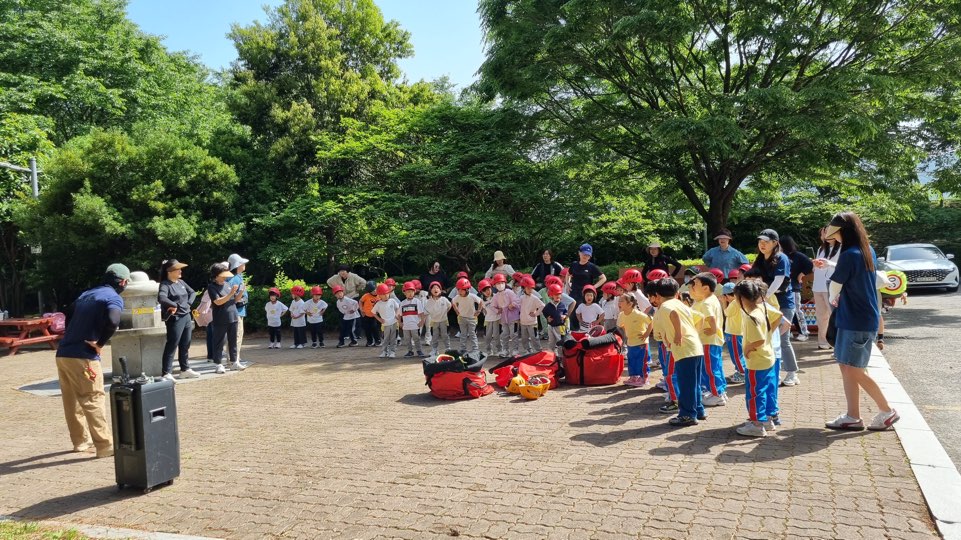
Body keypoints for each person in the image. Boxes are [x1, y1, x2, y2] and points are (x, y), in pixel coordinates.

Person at [818, 211, 900, 431]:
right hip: (857, 317)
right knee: (847, 367)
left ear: (842, 232)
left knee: (853, 369)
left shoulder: (849, 253)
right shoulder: (866, 250)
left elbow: (836, 285)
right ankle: (853, 416)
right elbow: (852, 273)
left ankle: (887, 411)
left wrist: (833, 300)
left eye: (835, 232)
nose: (833, 236)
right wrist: (831, 265)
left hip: (856, 319)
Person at [56, 263, 130, 458]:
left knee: (72, 401)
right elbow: (113, 321)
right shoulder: (113, 297)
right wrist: (100, 343)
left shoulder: (86, 294)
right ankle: (105, 446)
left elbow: (68, 316)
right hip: (84, 356)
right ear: (122, 282)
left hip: (63, 353)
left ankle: (80, 442)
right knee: (93, 398)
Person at [650, 278, 705, 426]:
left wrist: (678, 334)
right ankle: (698, 410)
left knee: (686, 384)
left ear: (657, 294)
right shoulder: (681, 304)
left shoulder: (665, 307)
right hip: (696, 347)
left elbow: (673, 315)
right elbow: (700, 318)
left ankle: (687, 415)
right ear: (677, 293)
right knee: (695, 383)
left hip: (683, 350)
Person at [732, 280, 782, 437]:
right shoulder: (763, 308)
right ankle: (767, 420)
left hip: (756, 360)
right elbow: (779, 316)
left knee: (755, 393)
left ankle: (756, 424)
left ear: (742, 298)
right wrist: (769, 333)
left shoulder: (751, 316)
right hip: (767, 357)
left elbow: (758, 340)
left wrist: (747, 347)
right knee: (766, 389)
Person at [751, 229, 800, 386]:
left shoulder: (781, 258)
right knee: (770, 339)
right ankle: (774, 372)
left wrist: (763, 296)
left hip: (783, 304)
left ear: (775, 243)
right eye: (760, 241)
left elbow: (779, 280)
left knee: (783, 340)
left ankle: (792, 373)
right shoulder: (760, 259)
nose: (762, 244)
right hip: (767, 304)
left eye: (766, 241)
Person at [689, 272, 727, 407]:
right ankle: (719, 391)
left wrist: (712, 328)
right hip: (712, 340)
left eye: (696, 284)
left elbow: (710, 317)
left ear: (705, 288)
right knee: (716, 367)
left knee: (710, 369)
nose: (693, 287)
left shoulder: (706, 303)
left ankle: (717, 395)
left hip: (708, 340)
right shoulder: (711, 300)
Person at [157, 259, 198, 381]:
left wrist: (188, 304)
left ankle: (185, 369)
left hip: (186, 316)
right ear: (170, 271)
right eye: (178, 269)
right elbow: (161, 297)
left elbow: (192, 292)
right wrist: (174, 305)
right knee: (172, 343)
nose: (180, 271)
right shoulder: (165, 284)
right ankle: (166, 373)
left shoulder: (181, 282)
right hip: (175, 318)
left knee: (186, 343)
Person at [208, 263, 246, 373]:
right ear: (217, 274)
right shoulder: (212, 287)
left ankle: (234, 362)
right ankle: (218, 364)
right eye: (223, 274)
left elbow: (234, 300)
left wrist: (240, 292)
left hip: (233, 316)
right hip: (220, 318)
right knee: (219, 341)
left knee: (233, 340)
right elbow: (218, 302)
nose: (225, 277)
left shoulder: (227, 284)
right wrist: (230, 293)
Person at [780, 235, 814, 342]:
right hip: (782, 289)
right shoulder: (779, 256)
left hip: (794, 287)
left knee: (796, 310)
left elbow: (810, 265)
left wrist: (802, 274)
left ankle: (803, 332)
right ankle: (787, 331)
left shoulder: (798, 256)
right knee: (783, 311)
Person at [812, 227, 841, 349]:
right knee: (821, 316)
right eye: (823, 233)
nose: (825, 235)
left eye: (827, 232)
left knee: (833, 315)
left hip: (831, 286)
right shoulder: (821, 248)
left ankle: (836, 343)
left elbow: (841, 267)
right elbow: (817, 268)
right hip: (817, 286)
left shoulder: (841, 248)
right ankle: (823, 342)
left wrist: (828, 264)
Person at [617, 293, 653, 387]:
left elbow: (651, 322)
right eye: (619, 300)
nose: (619, 302)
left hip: (641, 342)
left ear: (630, 304)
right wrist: (628, 334)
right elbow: (622, 325)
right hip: (630, 342)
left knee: (641, 361)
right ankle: (633, 377)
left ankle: (644, 378)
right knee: (632, 361)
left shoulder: (638, 314)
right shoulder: (621, 315)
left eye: (621, 301)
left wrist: (646, 334)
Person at [569, 244, 607, 328]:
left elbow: (603, 278)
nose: (585, 256)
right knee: (573, 314)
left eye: (587, 255)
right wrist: (568, 285)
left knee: (586, 314)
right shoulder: (574, 264)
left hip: (585, 295)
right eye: (583, 254)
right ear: (579, 253)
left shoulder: (591, 266)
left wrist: (593, 287)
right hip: (573, 293)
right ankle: (574, 332)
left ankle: (588, 333)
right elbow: (568, 274)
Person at [226, 254, 249, 362]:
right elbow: (232, 296)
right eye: (242, 263)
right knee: (236, 337)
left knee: (235, 337)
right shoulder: (234, 278)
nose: (244, 264)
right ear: (238, 265)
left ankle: (233, 359)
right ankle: (234, 360)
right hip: (236, 311)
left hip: (237, 311)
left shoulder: (236, 277)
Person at [452, 277, 483, 356]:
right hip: (462, 318)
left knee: (472, 334)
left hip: (472, 318)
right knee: (463, 334)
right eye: (458, 289)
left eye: (461, 289)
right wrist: (456, 309)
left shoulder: (472, 296)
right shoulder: (457, 297)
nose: (459, 291)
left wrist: (479, 310)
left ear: (467, 289)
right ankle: (463, 349)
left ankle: (475, 349)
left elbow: (480, 301)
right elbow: (453, 301)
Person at [491, 273, 520, 356]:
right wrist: (498, 310)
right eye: (498, 283)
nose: (500, 285)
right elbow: (492, 306)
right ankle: (505, 350)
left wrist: (512, 305)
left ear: (505, 283)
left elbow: (517, 301)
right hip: (503, 318)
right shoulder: (496, 296)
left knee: (514, 334)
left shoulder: (509, 292)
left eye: (502, 283)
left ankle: (515, 350)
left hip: (513, 317)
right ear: (495, 285)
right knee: (504, 334)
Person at [518, 276, 545, 354]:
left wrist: (536, 314)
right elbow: (517, 305)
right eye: (528, 288)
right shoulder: (521, 298)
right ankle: (527, 350)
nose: (530, 290)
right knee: (524, 338)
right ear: (524, 288)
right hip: (523, 322)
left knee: (534, 337)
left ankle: (538, 350)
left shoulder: (534, 298)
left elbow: (542, 305)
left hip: (532, 322)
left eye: (531, 288)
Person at [399, 281, 427, 358]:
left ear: (414, 292)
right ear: (404, 292)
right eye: (408, 292)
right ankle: (410, 351)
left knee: (416, 338)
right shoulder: (402, 303)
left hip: (415, 325)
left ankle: (419, 350)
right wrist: (400, 322)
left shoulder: (417, 301)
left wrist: (422, 321)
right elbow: (399, 314)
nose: (410, 293)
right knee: (407, 339)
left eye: (412, 291)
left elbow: (421, 313)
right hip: (406, 326)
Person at [373, 283, 401, 359]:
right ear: (379, 295)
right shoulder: (378, 304)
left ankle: (392, 352)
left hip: (394, 323)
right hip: (385, 324)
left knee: (393, 338)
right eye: (383, 294)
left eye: (387, 293)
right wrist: (379, 319)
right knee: (385, 339)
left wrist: (397, 314)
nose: (385, 295)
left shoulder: (392, 301)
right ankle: (384, 351)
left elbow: (398, 308)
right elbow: (373, 312)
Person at [542, 283, 570, 354]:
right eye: (555, 294)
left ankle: (561, 357)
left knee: (560, 342)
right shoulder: (548, 306)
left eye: (559, 294)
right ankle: (551, 356)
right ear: (551, 295)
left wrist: (564, 316)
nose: (558, 296)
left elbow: (566, 312)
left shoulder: (562, 305)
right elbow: (544, 311)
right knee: (551, 342)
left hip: (560, 327)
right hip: (551, 327)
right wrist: (547, 318)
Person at [427, 281, 453, 356]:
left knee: (445, 335)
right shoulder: (429, 301)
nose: (435, 289)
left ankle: (448, 348)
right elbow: (427, 310)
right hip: (434, 321)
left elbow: (449, 305)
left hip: (443, 320)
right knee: (435, 336)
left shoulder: (444, 299)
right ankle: (434, 349)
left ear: (440, 290)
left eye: (437, 288)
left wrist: (445, 312)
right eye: (433, 288)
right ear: (430, 291)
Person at [359, 281, 380, 347]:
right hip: (366, 315)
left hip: (375, 315)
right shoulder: (366, 296)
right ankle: (369, 341)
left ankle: (377, 340)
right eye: (372, 291)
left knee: (374, 328)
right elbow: (360, 301)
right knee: (367, 329)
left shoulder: (380, 296)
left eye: (375, 290)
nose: (374, 292)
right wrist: (361, 309)